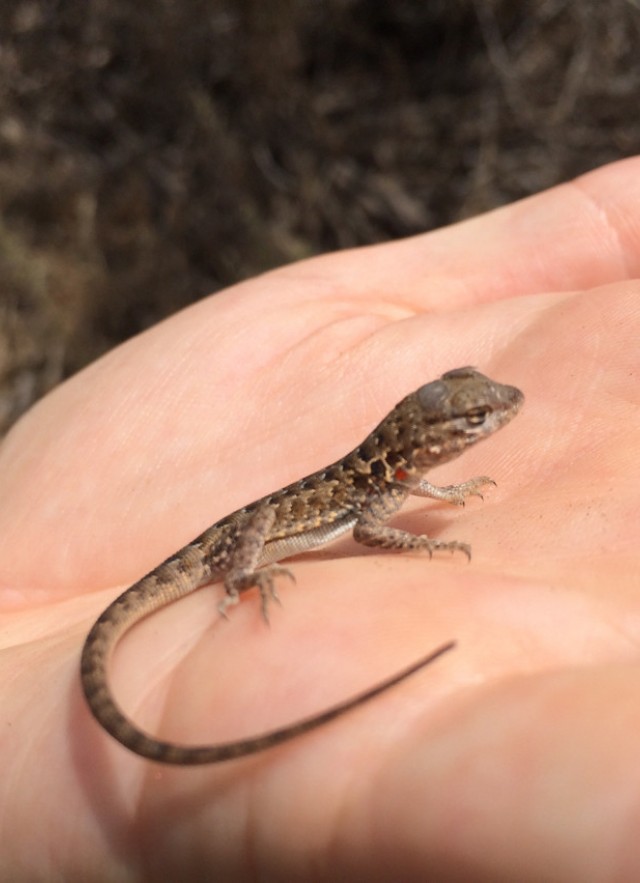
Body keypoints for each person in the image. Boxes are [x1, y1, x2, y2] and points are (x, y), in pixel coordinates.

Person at [0, 157, 638, 881]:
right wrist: (251, 571)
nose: (494, 415)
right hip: (226, 551)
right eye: (474, 417)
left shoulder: (393, 471)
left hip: (272, 519)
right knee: (252, 547)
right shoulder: (372, 489)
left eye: (477, 413)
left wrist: (450, 497)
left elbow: (399, 491)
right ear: (425, 436)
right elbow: (369, 529)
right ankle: (243, 573)